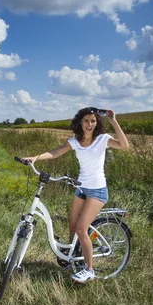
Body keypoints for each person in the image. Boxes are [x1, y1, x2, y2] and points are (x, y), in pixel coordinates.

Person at [22, 107, 129, 284]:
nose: (89, 124)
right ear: (80, 122)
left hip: (97, 191)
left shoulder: (103, 139)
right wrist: (35, 158)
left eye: (93, 121)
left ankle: (89, 270)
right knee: (72, 226)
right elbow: (56, 152)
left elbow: (124, 146)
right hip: (81, 189)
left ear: (97, 123)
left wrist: (113, 121)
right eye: (86, 120)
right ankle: (73, 259)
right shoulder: (76, 141)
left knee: (81, 228)